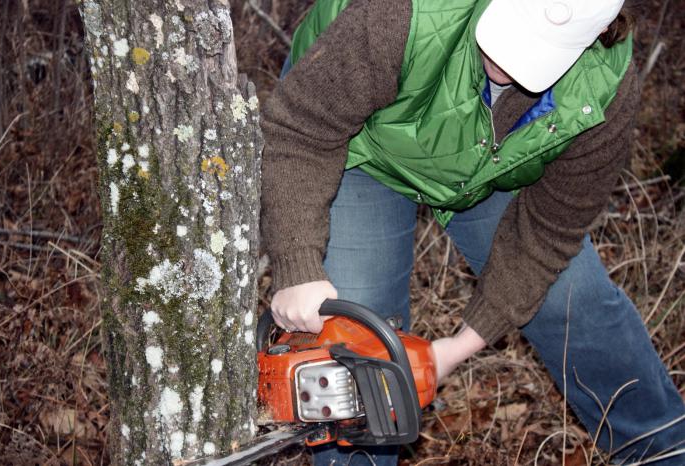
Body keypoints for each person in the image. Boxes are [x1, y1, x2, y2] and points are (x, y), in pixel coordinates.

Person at [260, 0, 685, 464]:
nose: (505, 64)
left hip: (487, 169)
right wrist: (297, 263)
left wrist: (458, 348)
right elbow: (302, 130)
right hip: (359, 145)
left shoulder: (604, 87)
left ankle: (663, 448)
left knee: (575, 298)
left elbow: (549, 232)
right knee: (354, 334)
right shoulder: (403, 15)